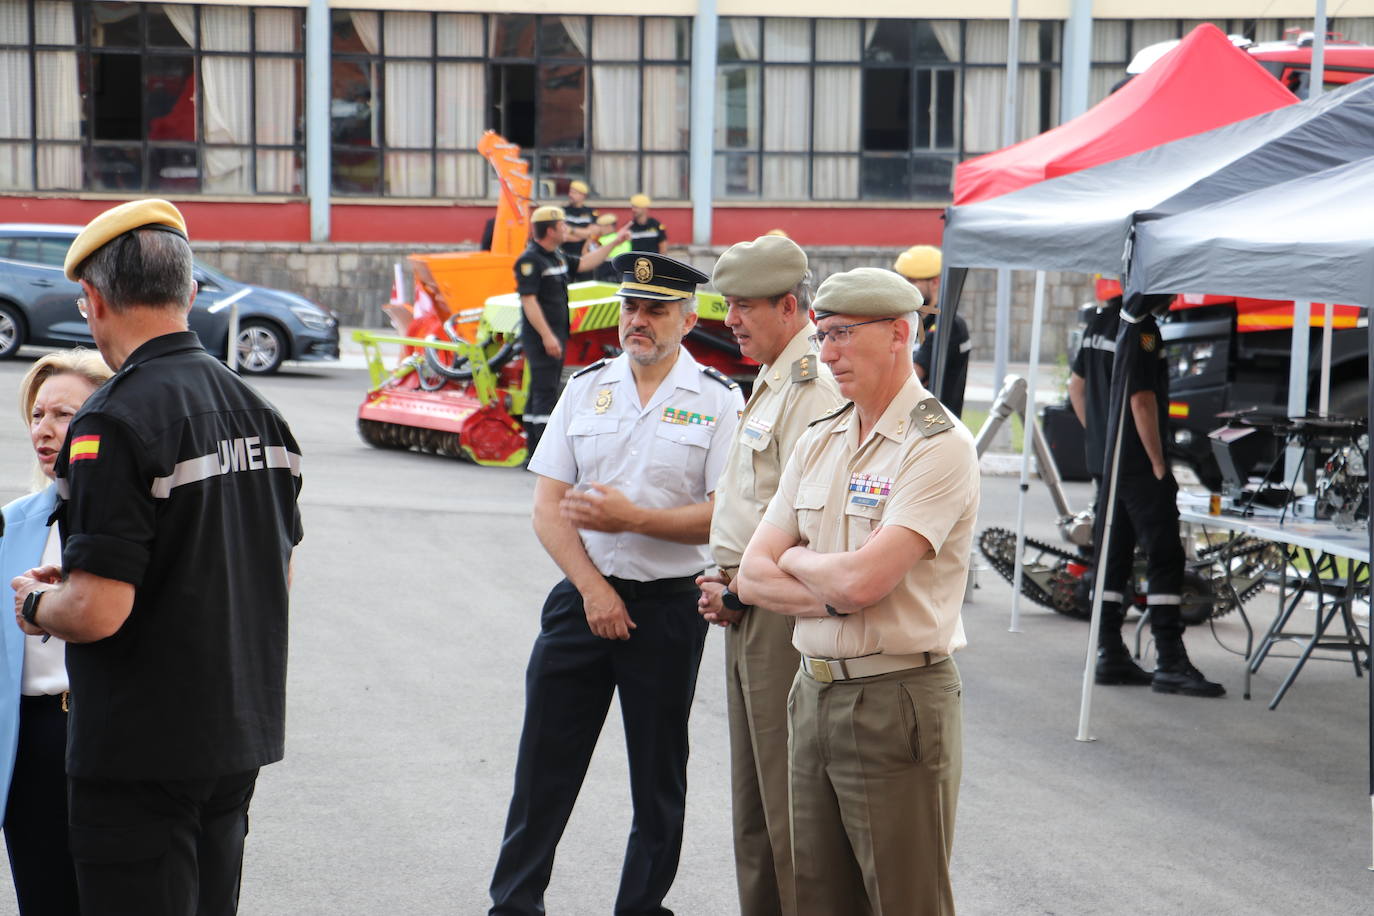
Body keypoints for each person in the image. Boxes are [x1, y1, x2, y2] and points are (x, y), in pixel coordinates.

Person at [9, 198, 305, 915]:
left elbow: (99, 610)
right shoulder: (261, 413)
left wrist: (35, 603)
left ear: (94, 299)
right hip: (235, 737)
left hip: (139, 753)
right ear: (189, 292)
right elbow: (274, 571)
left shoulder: (113, 418)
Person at [489, 252, 745, 916]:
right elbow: (548, 508)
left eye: (656, 311)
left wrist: (636, 519)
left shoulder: (718, 401)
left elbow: (725, 517)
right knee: (542, 769)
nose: (639, 321)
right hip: (582, 600)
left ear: (688, 319)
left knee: (657, 779)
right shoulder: (586, 386)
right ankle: (514, 905)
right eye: (632, 307)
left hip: (666, 611)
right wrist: (593, 590)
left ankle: (640, 907)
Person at [735, 267, 980, 916]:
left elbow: (866, 580)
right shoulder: (822, 439)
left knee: (906, 900)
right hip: (811, 689)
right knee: (814, 898)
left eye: (842, 334)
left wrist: (800, 559)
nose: (828, 352)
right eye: (821, 336)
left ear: (900, 333)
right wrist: (834, 584)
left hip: (893, 698)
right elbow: (751, 575)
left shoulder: (938, 445)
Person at [696, 236, 842, 916]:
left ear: (789, 306)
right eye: (727, 305)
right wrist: (718, 575)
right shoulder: (776, 375)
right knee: (753, 801)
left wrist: (736, 584)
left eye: (745, 306)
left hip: (776, 608)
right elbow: (745, 498)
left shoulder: (811, 384)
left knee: (788, 802)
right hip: (741, 600)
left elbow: (808, 518)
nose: (732, 320)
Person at [1067, 293, 1225, 697]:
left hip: (1108, 464)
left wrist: (1102, 439)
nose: (1173, 295)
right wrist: (1158, 462)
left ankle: (1108, 651)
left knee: (1113, 557)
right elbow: (1142, 400)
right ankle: (1170, 659)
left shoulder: (1100, 320)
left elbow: (1077, 389)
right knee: (1165, 555)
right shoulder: (1142, 327)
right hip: (1138, 464)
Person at [1, 350, 111, 916]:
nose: (44, 431)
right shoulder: (15, 520)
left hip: (112, 733)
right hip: (33, 742)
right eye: (38, 415)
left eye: (64, 416)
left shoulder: (132, 522)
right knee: (45, 898)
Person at [515, 205, 629, 455]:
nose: (567, 229)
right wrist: (547, 336)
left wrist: (615, 242)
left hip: (556, 335)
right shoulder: (530, 260)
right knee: (544, 392)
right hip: (542, 338)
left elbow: (586, 263)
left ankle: (534, 450)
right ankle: (540, 451)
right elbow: (529, 301)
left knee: (541, 389)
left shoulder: (555, 256)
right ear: (550, 230)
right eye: (562, 225)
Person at [895, 245, 972, 418]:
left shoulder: (948, 324)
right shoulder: (918, 319)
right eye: (904, 280)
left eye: (913, 281)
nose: (906, 287)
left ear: (935, 282)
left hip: (933, 423)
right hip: (915, 419)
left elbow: (908, 377)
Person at [562, 180, 598, 279]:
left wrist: (571, 230)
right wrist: (584, 235)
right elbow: (563, 235)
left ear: (583, 195)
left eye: (574, 192)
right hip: (566, 256)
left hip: (585, 256)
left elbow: (593, 233)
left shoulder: (591, 212)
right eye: (570, 192)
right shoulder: (563, 212)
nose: (570, 195)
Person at [593, 212, 630, 282]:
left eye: (601, 226)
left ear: (609, 226)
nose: (599, 229)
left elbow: (586, 254)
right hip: (622, 276)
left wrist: (590, 237)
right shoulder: (623, 238)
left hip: (605, 275)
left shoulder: (600, 240)